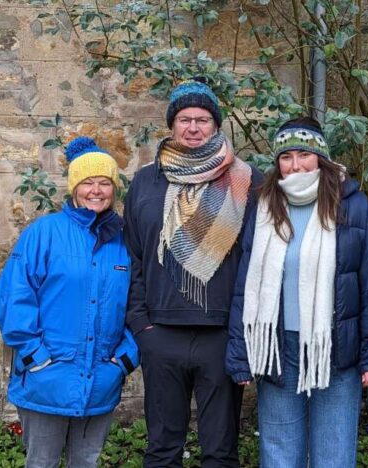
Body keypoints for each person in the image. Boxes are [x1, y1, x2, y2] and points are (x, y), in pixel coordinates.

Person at [225, 117, 368, 468]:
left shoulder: (352, 206)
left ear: (321, 157)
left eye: (304, 155)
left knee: (334, 453)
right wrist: (240, 351)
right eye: (286, 157)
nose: (295, 165)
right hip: (276, 347)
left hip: (335, 348)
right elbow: (245, 284)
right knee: (279, 452)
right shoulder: (265, 206)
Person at [123, 77, 264, 467]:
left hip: (220, 335)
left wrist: (243, 330)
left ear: (216, 125)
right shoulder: (145, 181)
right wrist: (141, 326)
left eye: (203, 119)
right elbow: (132, 254)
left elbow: (259, 259)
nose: (193, 128)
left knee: (220, 451)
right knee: (162, 449)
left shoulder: (247, 181)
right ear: (172, 124)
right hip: (160, 332)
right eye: (185, 119)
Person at [0, 136, 139, 468]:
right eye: (88, 182)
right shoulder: (43, 233)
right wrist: (37, 358)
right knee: (41, 462)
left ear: (115, 189)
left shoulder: (124, 242)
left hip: (101, 380)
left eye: (105, 183)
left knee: (86, 462)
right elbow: (12, 298)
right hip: (47, 379)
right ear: (74, 187)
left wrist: (124, 360)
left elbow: (138, 302)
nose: (96, 190)